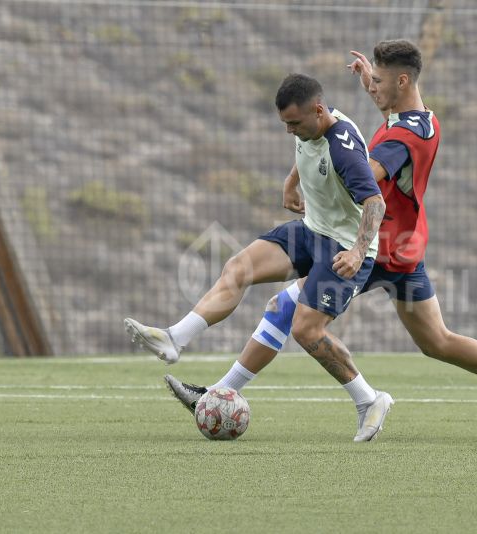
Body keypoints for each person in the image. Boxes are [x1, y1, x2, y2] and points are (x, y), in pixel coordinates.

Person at [165, 40, 477, 440]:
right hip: (406, 249)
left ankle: (228, 393)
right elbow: (364, 138)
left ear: (402, 80)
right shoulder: (417, 119)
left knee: (288, 309)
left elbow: (360, 173)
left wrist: (323, 150)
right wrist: (365, 92)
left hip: (372, 247)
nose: (372, 86)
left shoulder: (403, 135)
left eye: (379, 80)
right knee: (438, 342)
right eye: (370, 79)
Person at [124, 73, 394, 442]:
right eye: (285, 124)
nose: (289, 131)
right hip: (313, 231)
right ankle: (175, 339)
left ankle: (369, 400)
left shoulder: (343, 149)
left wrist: (359, 251)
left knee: (305, 329)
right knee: (239, 268)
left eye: (294, 124)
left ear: (317, 111)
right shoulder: (315, 122)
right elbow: (307, 148)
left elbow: (375, 203)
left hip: (345, 250)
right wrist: (290, 182)